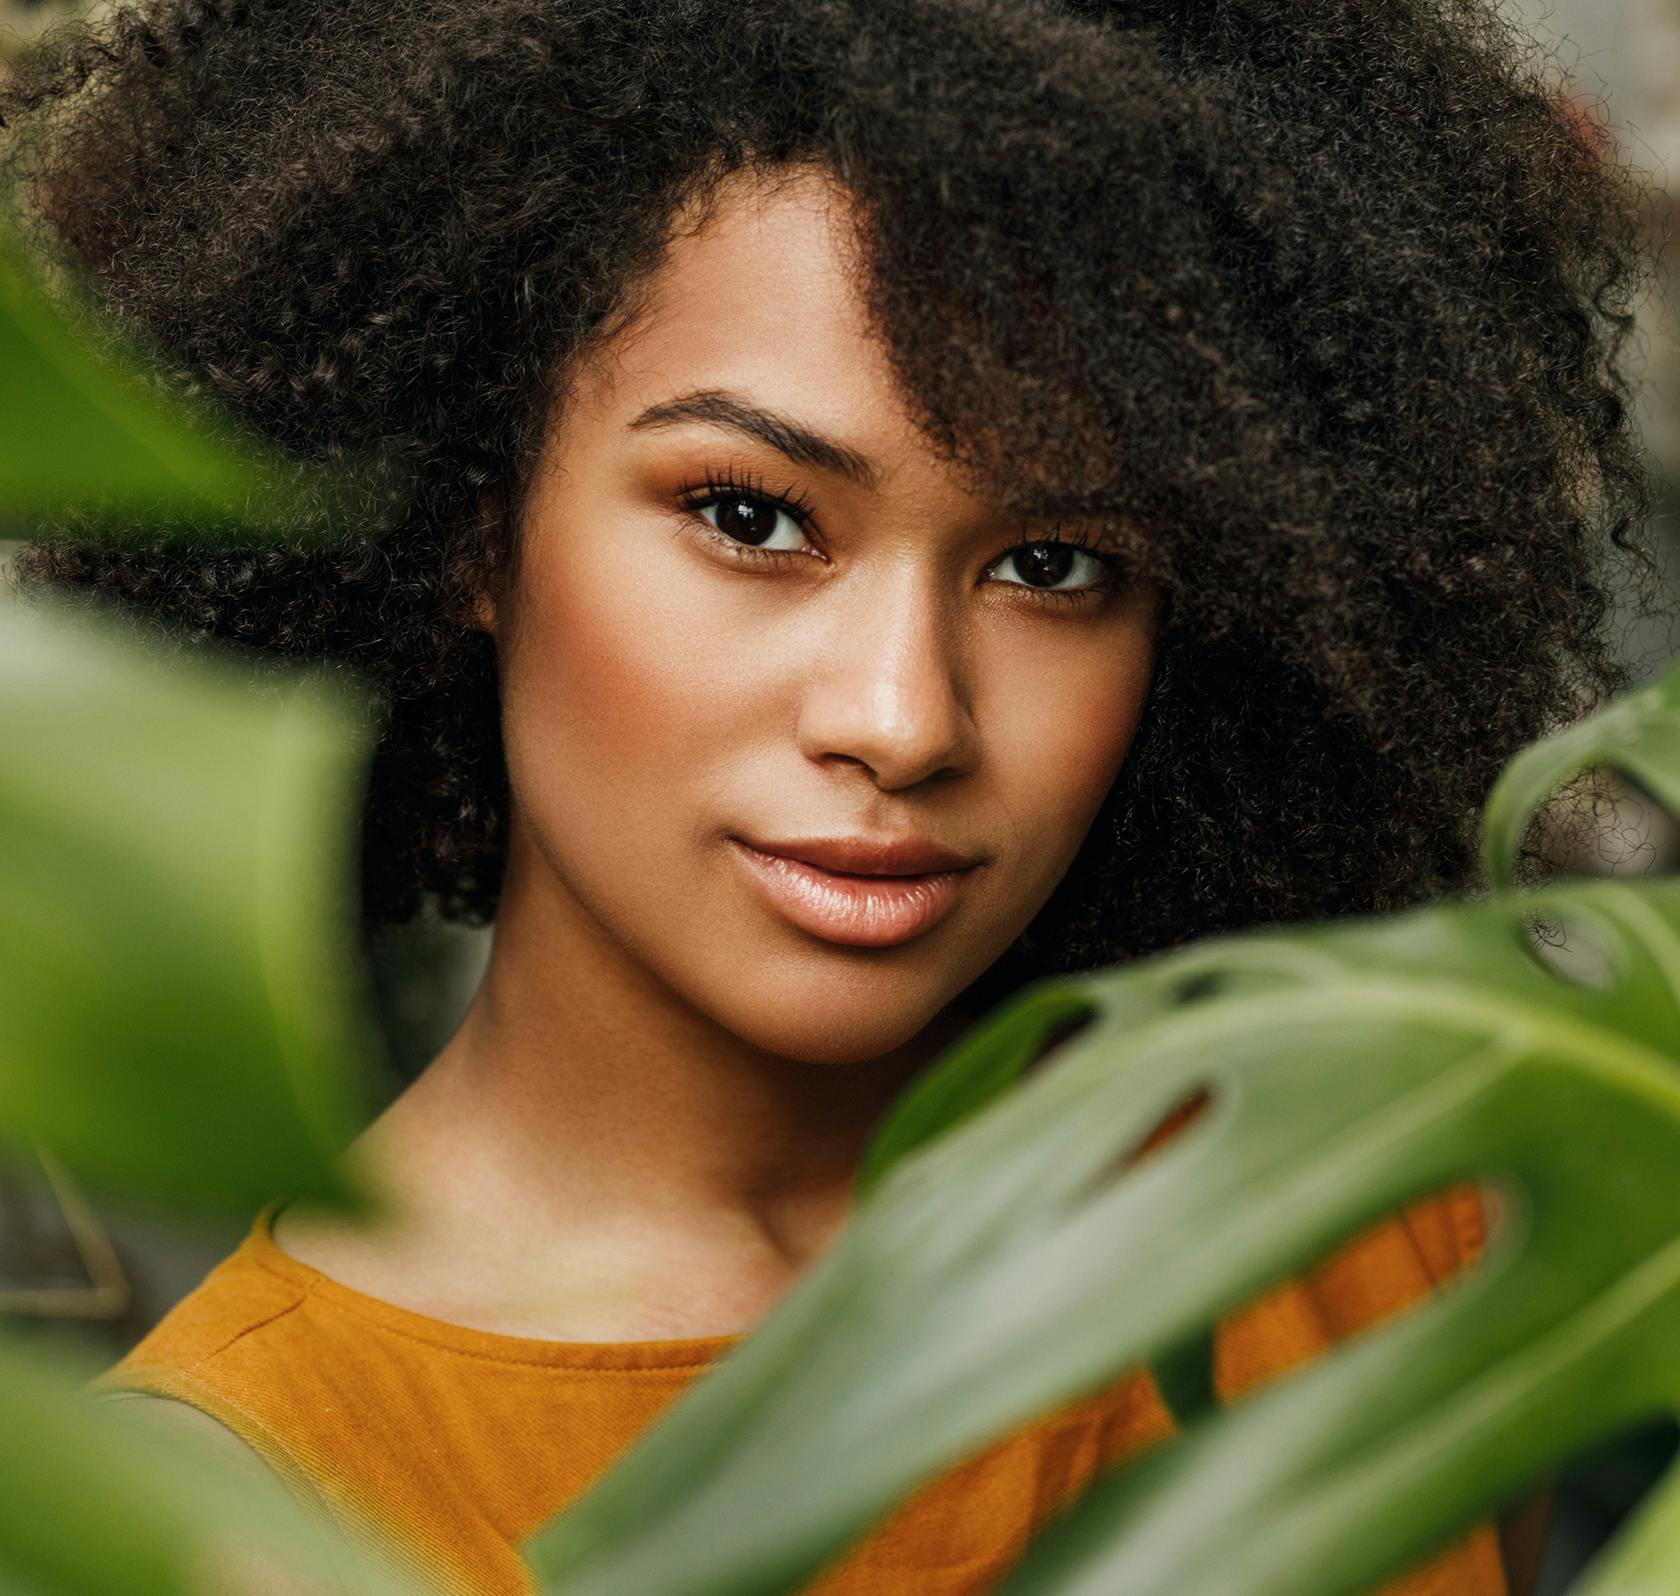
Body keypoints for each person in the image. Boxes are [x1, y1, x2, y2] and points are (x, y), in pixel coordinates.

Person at [2, 0, 1653, 1591]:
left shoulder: (1369, 1230)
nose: (904, 718)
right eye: (751, 516)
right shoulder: (242, 1519)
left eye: (1053, 562)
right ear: (468, 530)